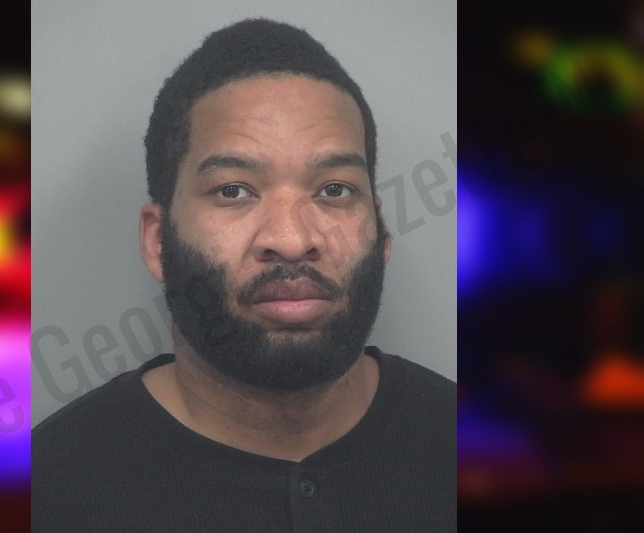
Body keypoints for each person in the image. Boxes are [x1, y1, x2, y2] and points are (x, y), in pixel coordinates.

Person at [32, 18, 455, 532]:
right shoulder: (46, 494)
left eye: (335, 190)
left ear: (381, 232)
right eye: (233, 190)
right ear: (157, 240)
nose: (292, 240)